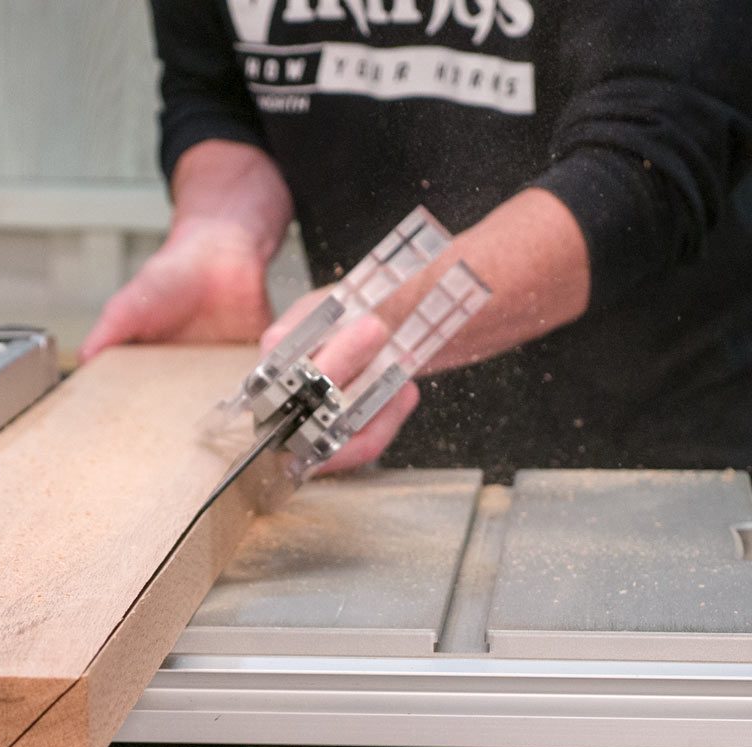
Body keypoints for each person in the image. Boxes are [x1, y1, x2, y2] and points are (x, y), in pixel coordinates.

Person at [81, 0, 752, 480]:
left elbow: (648, 161)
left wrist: (392, 323)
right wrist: (217, 235)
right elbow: (220, 95)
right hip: (377, 460)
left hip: (654, 452)